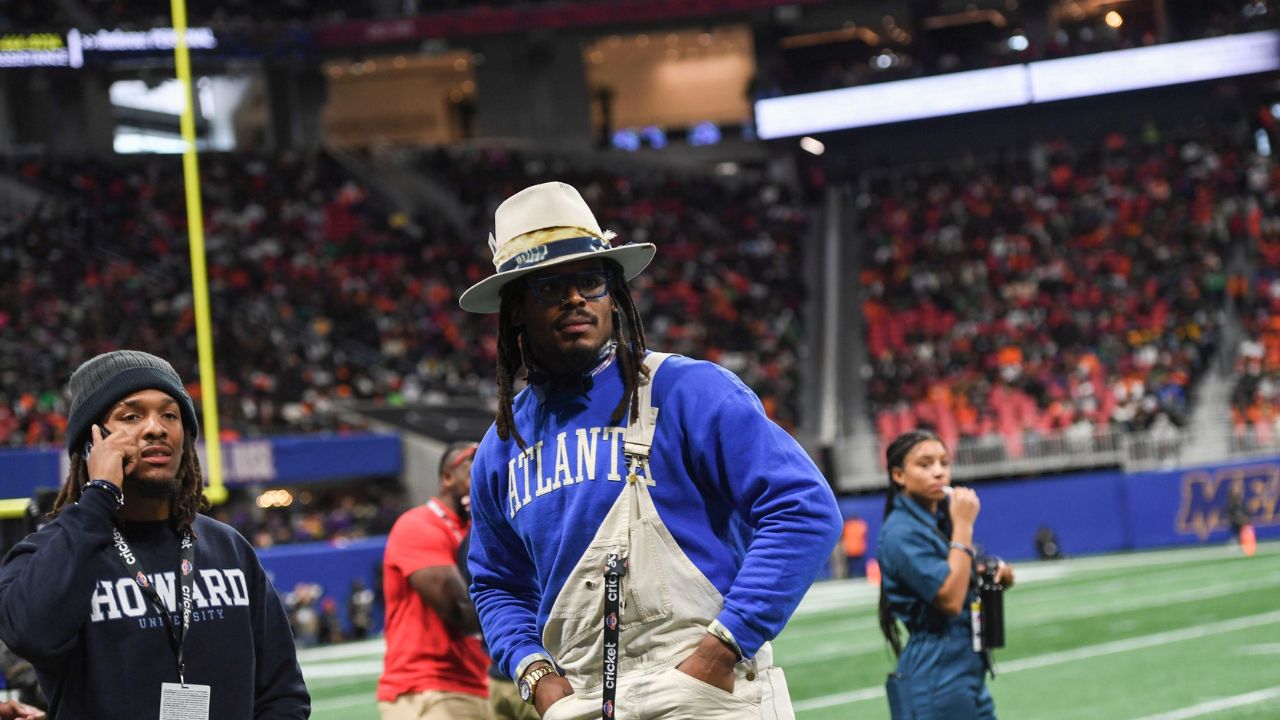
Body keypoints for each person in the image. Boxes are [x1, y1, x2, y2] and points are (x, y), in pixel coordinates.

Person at [460, 181, 843, 719]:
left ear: (613, 295)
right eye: (551, 287)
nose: (576, 299)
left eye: (591, 282)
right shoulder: (501, 447)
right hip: (581, 696)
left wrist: (723, 648)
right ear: (516, 309)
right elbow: (497, 583)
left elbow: (805, 510)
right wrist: (536, 676)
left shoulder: (689, 390)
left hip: (705, 688)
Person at [0, 350, 310, 719]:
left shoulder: (229, 549)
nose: (155, 428)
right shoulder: (46, 553)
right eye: (131, 416)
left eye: (170, 414)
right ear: (91, 442)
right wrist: (100, 493)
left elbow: (283, 694)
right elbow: (32, 636)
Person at [876, 429, 1015, 719]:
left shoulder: (934, 521)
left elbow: (956, 576)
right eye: (925, 465)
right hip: (937, 676)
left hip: (962, 670)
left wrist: (991, 576)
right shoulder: (901, 531)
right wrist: (963, 526)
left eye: (944, 463)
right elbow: (949, 600)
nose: (938, 472)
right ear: (898, 475)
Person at [378, 441, 490, 719]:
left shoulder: (475, 530)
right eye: (473, 466)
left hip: (472, 682)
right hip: (427, 686)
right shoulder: (419, 525)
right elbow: (460, 610)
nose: (484, 475)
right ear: (448, 477)